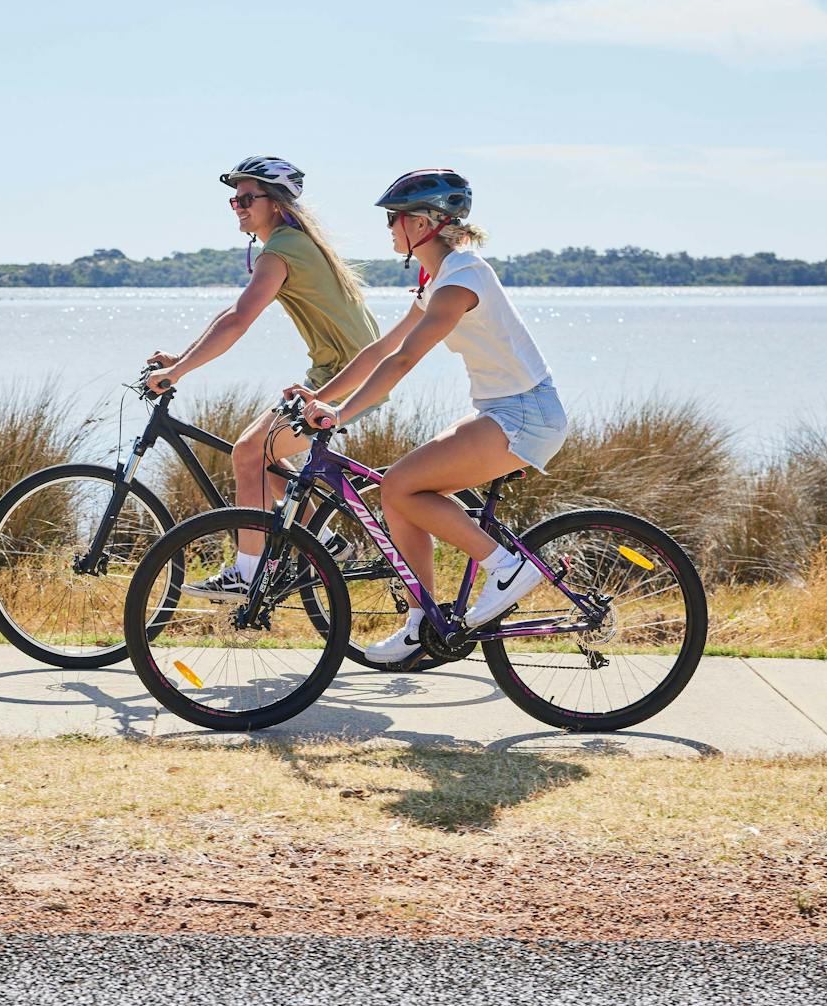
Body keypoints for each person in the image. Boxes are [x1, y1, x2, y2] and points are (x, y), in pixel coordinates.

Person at [291, 169, 568, 662]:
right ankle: (422, 623)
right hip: (502, 411)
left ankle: (505, 567)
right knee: (398, 495)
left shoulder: (463, 276)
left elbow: (403, 360)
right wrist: (323, 397)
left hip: (525, 414)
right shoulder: (438, 279)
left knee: (399, 484)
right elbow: (381, 348)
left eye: (395, 218)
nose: (390, 228)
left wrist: (342, 414)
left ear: (425, 223)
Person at [146, 156, 379, 598]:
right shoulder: (290, 244)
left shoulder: (284, 250)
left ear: (274, 203)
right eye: (234, 200)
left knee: (249, 453)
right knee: (264, 454)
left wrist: (178, 372)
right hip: (340, 372)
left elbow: (238, 320)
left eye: (247, 198)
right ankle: (324, 542)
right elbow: (229, 315)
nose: (238, 206)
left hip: (350, 377)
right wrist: (183, 357)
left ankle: (247, 572)